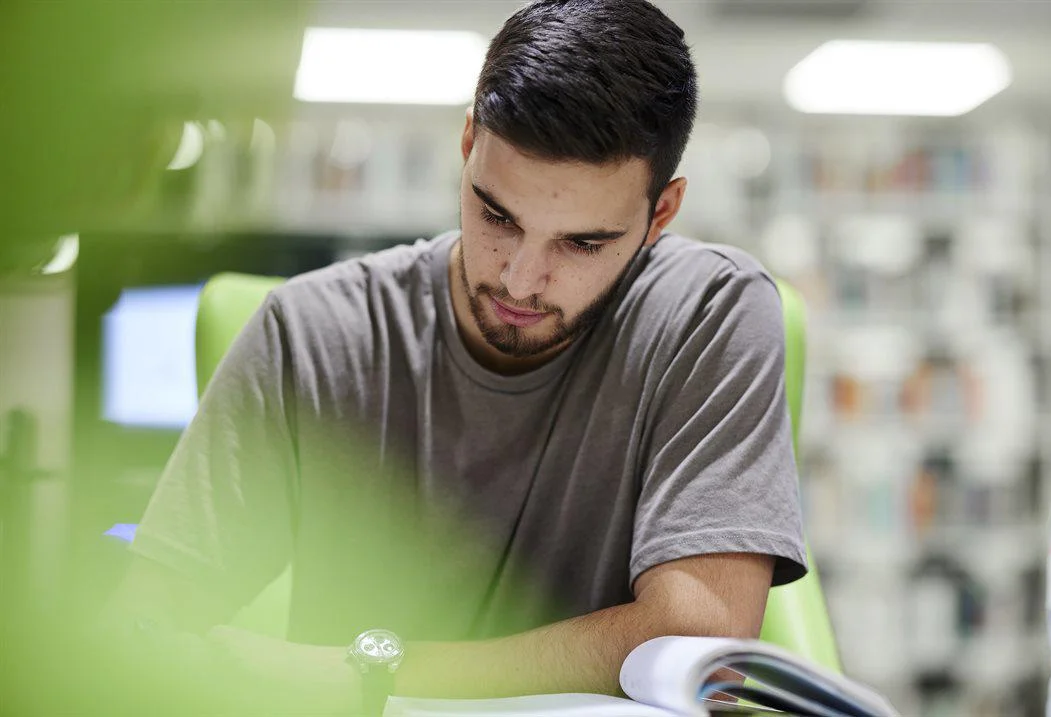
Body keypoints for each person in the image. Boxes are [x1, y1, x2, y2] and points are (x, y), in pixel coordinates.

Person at [100, 0, 807, 714]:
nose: (520, 280)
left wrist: (371, 674)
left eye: (581, 243)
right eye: (498, 216)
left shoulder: (711, 311)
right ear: (468, 143)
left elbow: (699, 632)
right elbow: (147, 629)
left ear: (661, 214)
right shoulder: (308, 331)